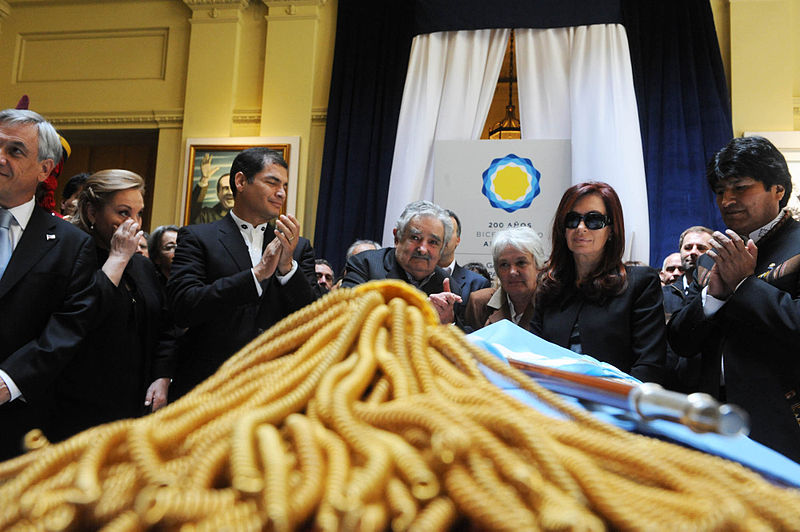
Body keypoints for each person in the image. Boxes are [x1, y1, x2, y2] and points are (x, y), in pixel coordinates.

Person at [668, 136, 800, 462]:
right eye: (720, 192)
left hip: (784, 424)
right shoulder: (713, 256)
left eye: (740, 188)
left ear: (778, 190)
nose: (727, 200)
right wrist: (713, 297)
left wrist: (744, 284)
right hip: (713, 424)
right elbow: (682, 343)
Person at [168, 147, 316, 398]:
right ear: (240, 181)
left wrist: (287, 268)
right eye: (272, 182)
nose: (281, 192)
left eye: (284, 185)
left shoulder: (298, 247)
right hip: (210, 382)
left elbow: (315, 316)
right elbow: (183, 306)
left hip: (278, 384)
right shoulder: (198, 238)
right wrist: (255, 275)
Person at [46, 170, 176, 441]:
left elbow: (165, 326)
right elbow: (78, 322)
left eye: (139, 214)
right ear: (93, 213)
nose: (135, 224)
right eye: (123, 213)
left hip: (137, 407)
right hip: (78, 408)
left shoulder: (141, 264)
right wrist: (116, 259)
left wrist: (162, 375)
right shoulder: (67, 256)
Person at [0, 109, 97, 460]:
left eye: (15, 151)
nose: (1, 157)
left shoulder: (71, 245)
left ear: (44, 169)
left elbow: (68, 327)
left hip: (19, 421)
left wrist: (8, 382)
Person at [531, 182, 666, 383]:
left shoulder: (640, 283)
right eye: (572, 220)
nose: (581, 228)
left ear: (611, 230)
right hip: (552, 404)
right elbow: (533, 355)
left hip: (616, 406)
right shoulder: (549, 287)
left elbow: (649, 365)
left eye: (594, 220)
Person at [342, 200, 461, 324]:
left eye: (433, 242)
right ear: (397, 237)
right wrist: (420, 311)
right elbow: (346, 315)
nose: (423, 249)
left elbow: (466, 336)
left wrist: (449, 321)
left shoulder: (449, 286)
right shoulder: (365, 265)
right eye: (415, 238)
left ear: (442, 249)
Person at [465, 227, 545, 332]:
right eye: (504, 265)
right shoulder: (479, 303)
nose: (512, 272)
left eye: (521, 263)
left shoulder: (553, 304)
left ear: (538, 267)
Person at [438, 209, 491, 328]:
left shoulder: (478, 283)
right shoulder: (417, 276)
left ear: (458, 240)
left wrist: (451, 321)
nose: (443, 237)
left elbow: (479, 333)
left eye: (449, 231)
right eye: (439, 231)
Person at [190, 153, 234, 225]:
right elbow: (191, 211)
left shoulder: (250, 216)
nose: (230, 192)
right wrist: (204, 179)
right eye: (225, 188)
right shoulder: (206, 215)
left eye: (233, 188)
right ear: (218, 193)